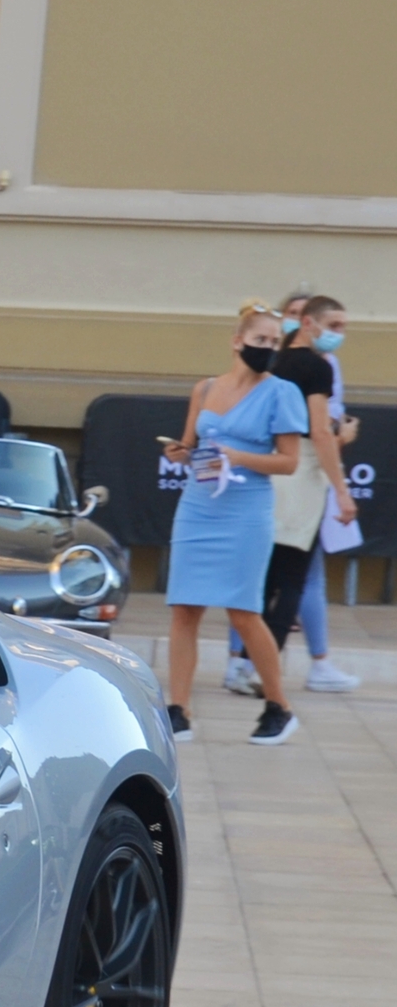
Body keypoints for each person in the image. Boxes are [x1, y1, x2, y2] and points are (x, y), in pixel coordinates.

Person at [158, 301, 306, 746]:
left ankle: (279, 706)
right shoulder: (205, 389)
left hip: (245, 509)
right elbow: (190, 444)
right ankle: (178, 709)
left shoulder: (282, 393)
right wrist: (178, 453)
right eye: (261, 339)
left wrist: (238, 457)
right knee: (184, 608)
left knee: (243, 611)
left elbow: (289, 462)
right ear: (237, 341)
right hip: (199, 505)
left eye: (274, 342)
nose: (267, 348)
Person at [228, 293, 361, 696]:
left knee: (263, 578)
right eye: (334, 326)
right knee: (291, 579)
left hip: (266, 467)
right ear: (309, 323)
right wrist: (342, 490)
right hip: (299, 471)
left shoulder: (272, 362)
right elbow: (319, 432)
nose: (339, 335)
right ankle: (256, 669)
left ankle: (240, 663)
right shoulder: (315, 367)